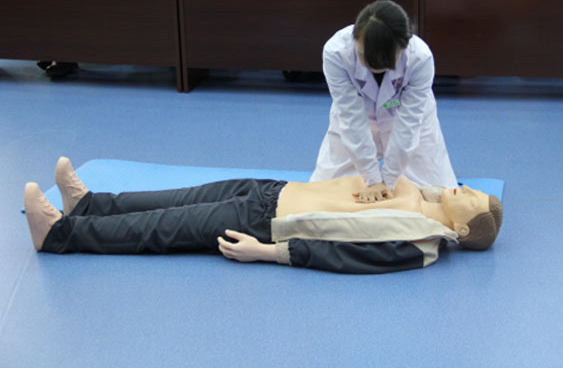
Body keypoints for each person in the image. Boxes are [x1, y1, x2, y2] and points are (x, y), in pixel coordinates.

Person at [24, 157, 502, 274]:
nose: (466, 188)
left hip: (266, 226)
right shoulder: (419, 190)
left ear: (461, 229)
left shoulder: (419, 244)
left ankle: (60, 235)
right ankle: (89, 204)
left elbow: (346, 256)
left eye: (472, 198)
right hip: (274, 192)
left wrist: (270, 253)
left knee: (164, 228)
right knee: (177, 197)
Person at [311, 0, 457, 204]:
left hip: (408, 120)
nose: (372, 65)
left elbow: (408, 124)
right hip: (356, 119)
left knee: (436, 198)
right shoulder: (336, 52)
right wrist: (372, 180)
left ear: (403, 48)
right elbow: (351, 118)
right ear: (354, 39)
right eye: (363, 55)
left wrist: (388, 181)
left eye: (385, 60)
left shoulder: (420, 58)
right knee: (324, 195)